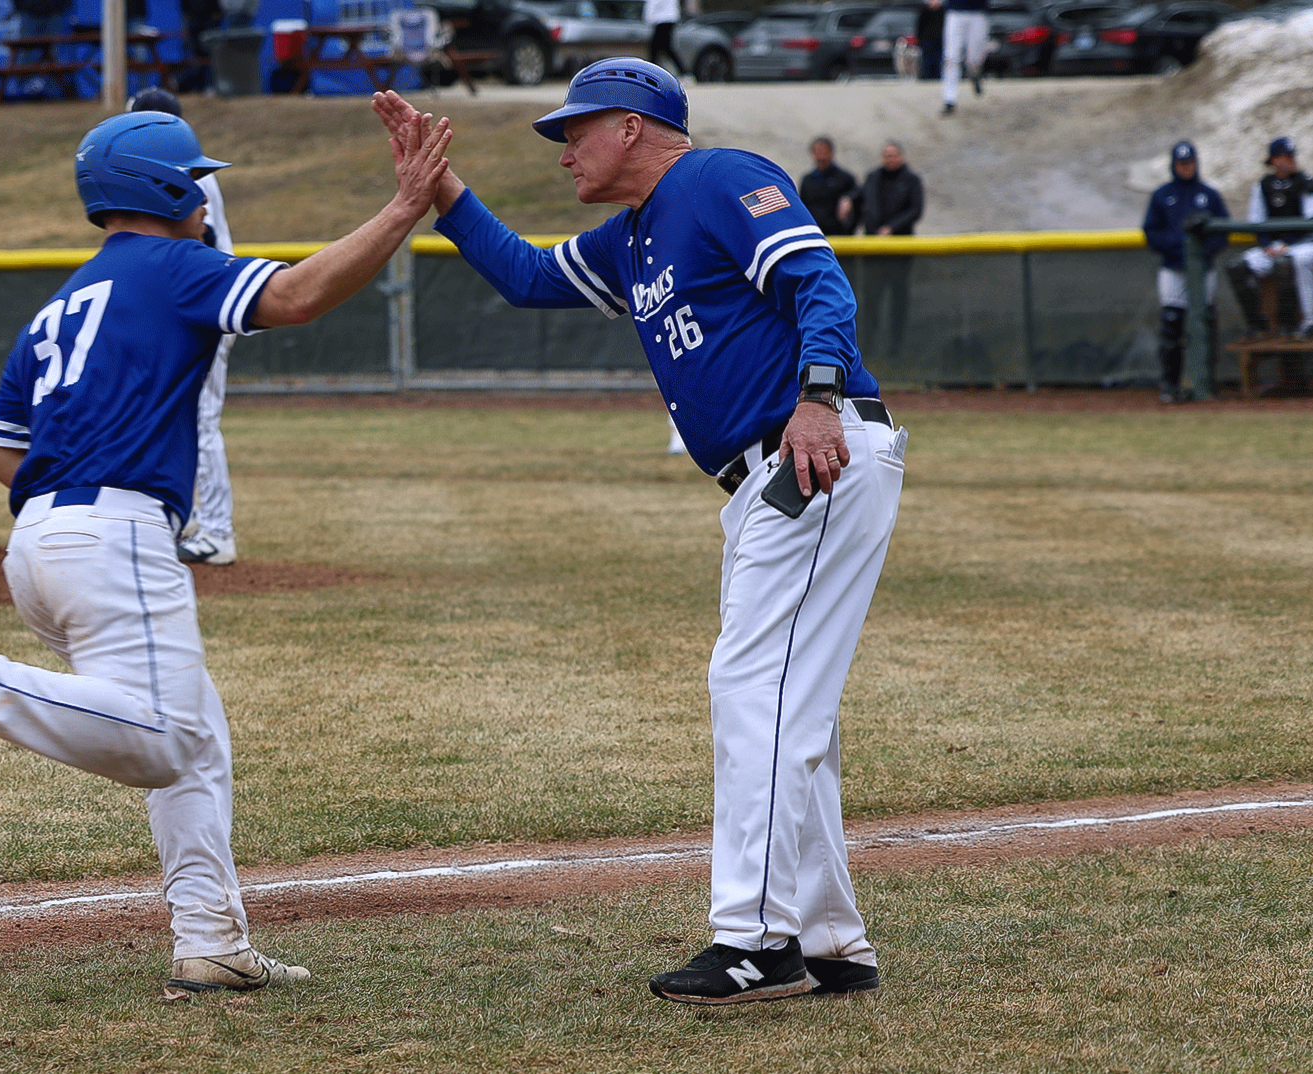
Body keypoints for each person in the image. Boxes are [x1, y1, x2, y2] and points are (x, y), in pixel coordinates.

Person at [0, 107, 451, 997]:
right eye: (196, 180)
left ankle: (209, 940)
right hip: (114, 535)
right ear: (166, 189)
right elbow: (292, 296)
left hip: (40, 542)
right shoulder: (172, 265)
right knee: (169, 740)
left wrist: (65, 509)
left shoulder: (62, 301)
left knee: (198, 738)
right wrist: (405, 206)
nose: (207, 198)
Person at [372, 59, 905, 1005]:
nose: (564, 148)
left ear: (631, 126)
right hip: (767, 476)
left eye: (576, 129)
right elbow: (530, 278)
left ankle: (756, 942)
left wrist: (818, 396)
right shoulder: (633, 237)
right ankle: (830, 941)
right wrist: (440, 189)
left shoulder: (712, 179)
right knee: (785, 703)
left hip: (812, 454)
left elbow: (820, 282)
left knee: (754, 689)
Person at [127, 86, 242, 565]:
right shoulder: (165, 168)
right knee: (170, 416)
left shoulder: (183, 173)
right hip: (188, 303)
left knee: (200, 419)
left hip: (205, 304)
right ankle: (184, 521)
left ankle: (217, 533)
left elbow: (203, 243)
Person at [1141, 141, 1229, 403]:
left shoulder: (1208, 195)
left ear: (1196, 163)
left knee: (1204, 323)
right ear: (1174, 165)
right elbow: (1151, 232)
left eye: (1189, 163)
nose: (1186, 168)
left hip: (1203, 270)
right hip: (1173, 269)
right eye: (1181, 164)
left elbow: (1223, 230)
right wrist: (1178, 250)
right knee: (1171, 323)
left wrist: (1202, 253)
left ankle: (1206, 383)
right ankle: (1170, 385)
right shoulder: (1162, 195)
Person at [1230, 136, 1313, 339]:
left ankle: (1297, 323)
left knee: (1291, 261)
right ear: (1274, 160)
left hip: (1303, 244)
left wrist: (1286, 243)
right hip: (1274, 246)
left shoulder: (1307, 182)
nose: (1291, 160)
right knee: (1237, 266)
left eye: (1292, 156)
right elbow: (1257, 222)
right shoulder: (1263, 185)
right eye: (1285, 156)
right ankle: (1257, 324)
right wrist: (1267, 245)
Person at [855, 141, 924, 365]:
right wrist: (848, 200)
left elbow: (916, 210)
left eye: (893, 154)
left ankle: (897, 348)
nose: (890, 158)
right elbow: (859, 197)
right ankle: (869, 346)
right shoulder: (873, 177)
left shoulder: (911, 180)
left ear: (901, 156)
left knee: (898, 301)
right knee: (871, 300)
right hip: (873, 251)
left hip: (899, 252)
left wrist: (892, 228)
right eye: (886, 155)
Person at [799, 135, 859, 237]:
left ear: (831, 152)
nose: (820, 155)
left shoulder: (845, 178)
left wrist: (848, 199)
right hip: (815, 235)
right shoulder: (808, 180)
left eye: (823, 151)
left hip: (839, 237)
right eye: (817, 151)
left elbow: (858, 199)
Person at [939, 0, 987, 115]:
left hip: (978, 13)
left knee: (974, 58)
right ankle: (949, 99)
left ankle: (974, 74)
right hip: (955, 12)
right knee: (951, 57)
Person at [645, 0, 686, 77]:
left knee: (658, 47)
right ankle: (651, 71)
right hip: (663, 19)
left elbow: (655, 4)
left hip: (664, 19)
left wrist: (649, 17)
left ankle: (650, 72)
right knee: (659, 48)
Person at [914, 0, 944, 82]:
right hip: (927, 41)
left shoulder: (943, 11)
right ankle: (926, 79)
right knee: (926, 61)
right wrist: (919, 39)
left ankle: (938, 78)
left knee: (938, 61)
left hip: (939, 41)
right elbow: (920, 26)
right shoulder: (924, 11)